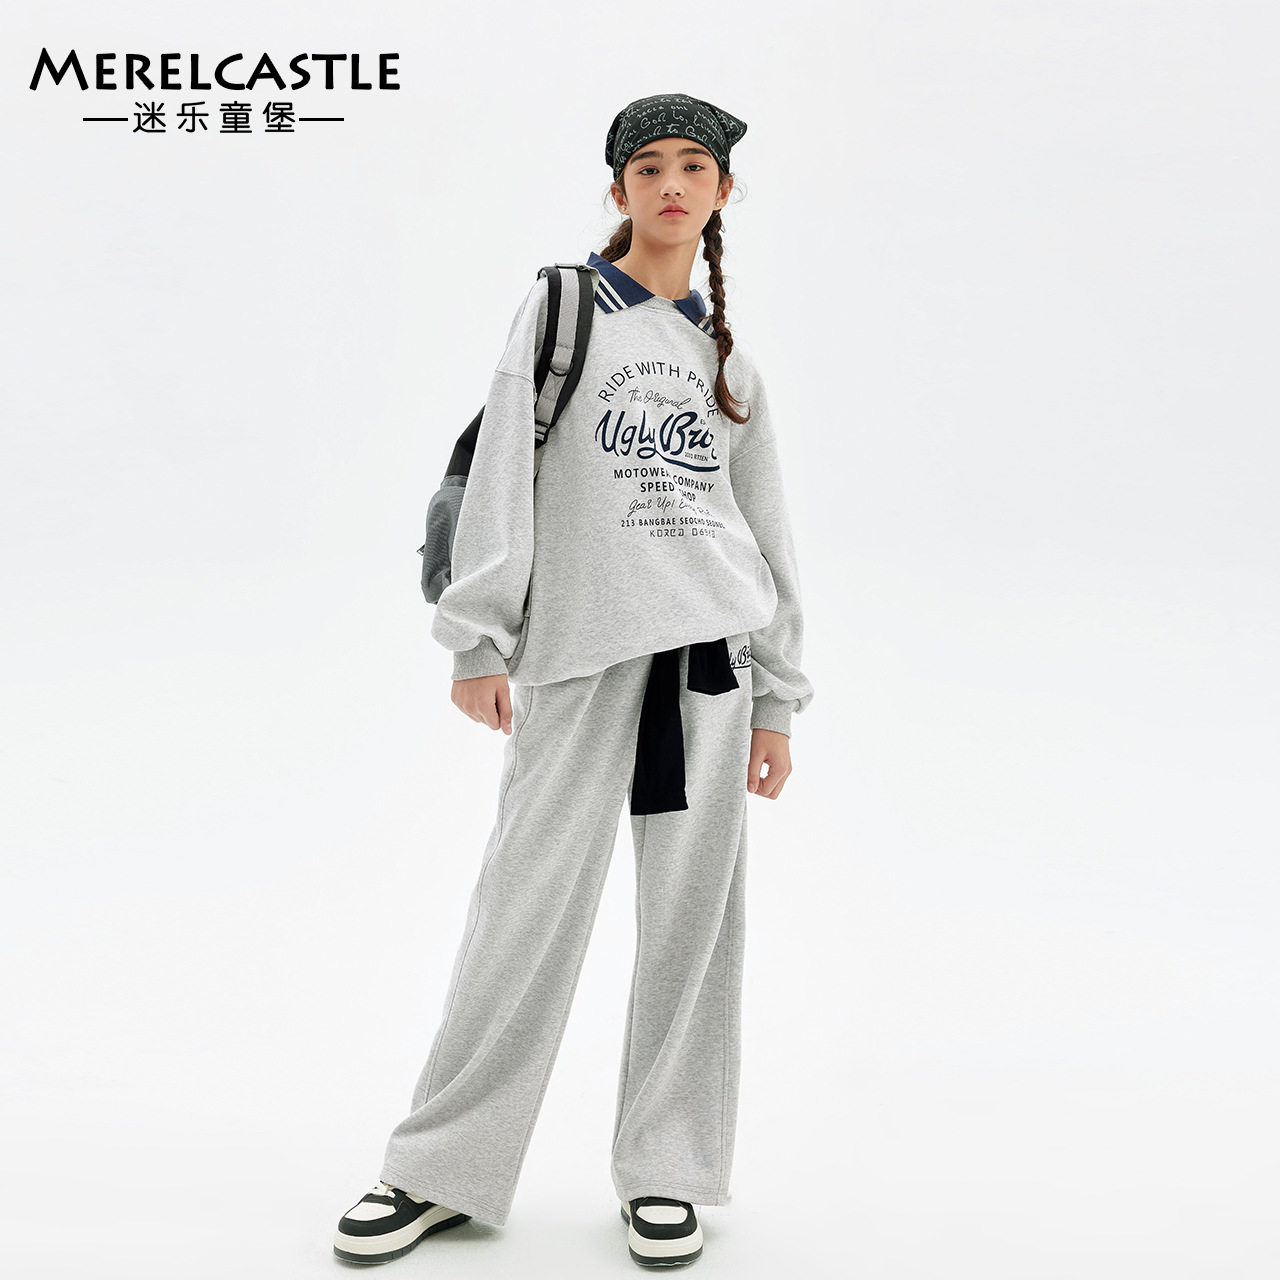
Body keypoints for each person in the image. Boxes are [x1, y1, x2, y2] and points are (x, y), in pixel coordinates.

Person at [333, 91, 815, 1269]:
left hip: (709, 672)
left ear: (721, 192)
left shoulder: (729, 359)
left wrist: (777, 699)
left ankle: (667, 1170)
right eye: (647, 166)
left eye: (691, 166)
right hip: (576, 656)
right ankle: (439, 1165)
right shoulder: (562, 308)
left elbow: (765, 533)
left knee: (692, 934)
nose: (669, 183)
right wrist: (477, 637)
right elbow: (502, 470)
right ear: (617, 190)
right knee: (523, 915)